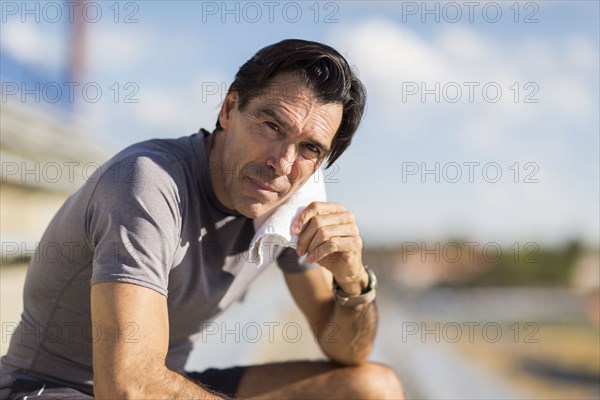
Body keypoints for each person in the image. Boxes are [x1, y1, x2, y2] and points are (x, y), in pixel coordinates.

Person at [0, 39, 404, 399]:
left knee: (372, 387)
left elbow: (346, 349)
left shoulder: (290, 201)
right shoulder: (147, 182)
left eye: (310, 148)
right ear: (229, 108)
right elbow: (128, 388)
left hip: (164, 379)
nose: (281, 162)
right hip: (48, 386)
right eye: (271, 125)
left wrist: (354, 280)